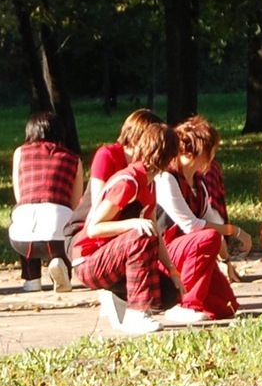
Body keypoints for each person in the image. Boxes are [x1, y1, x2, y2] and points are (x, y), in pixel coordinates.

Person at [72, 123, 183, 334]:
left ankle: (120, 297)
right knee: (141, 234)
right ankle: (136, 314)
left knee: (169, 294)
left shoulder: (149, 184)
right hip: (88, 261)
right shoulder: (128, 182)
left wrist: (172, 269)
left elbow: (156, 232)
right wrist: (132, 223)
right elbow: (94, 227)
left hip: (115, 259)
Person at [153, 116, 243, 323]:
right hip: (164, 254)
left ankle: (195, 299)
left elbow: (213, 220)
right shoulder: (166, 178)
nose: (214, 155)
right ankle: (184, 304)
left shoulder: (199, 183)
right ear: (201, 151)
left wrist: (225, 260)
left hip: (190, 251)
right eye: (213, 149)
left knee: (226, 306)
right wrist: (235, 231)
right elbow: (192, 226)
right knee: (208, 236)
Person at [10, 111, 83, 293]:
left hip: (23, 240)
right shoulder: (74, 160)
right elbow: (75, 205)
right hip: (59, 239)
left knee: (20, 212)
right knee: (68, 224)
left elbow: (20, 197)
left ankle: (32, 279)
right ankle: (62, 267)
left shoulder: (20, 153)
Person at [74, 108, 162, 222]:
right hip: (87, 226)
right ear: (136, 139)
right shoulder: (107, 155)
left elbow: (150, 214)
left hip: (126, 229)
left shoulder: (147, 166)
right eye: (156, 143)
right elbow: (97, 206)